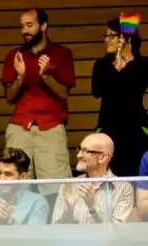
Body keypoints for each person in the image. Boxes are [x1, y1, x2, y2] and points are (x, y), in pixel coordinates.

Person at [1, 8, 75, 199]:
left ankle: (53, 228)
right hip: (20, 126)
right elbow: (9, 97)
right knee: (16, 187)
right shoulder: (14, 56)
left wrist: (46, 76)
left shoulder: (62, 54)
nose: (24, 30)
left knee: (54, 189)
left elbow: (63, 94)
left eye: (29, 25)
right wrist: (20, 77)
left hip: (50, 127)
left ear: (43, 26)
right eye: (22, 26)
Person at [91, 17, 147, 176]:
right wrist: (116, 67)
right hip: (108, 127)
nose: (106, 40)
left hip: (136, 130)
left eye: (111, 36)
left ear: (125, 39)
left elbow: (134, 87)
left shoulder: (143, 64)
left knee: (136, 173)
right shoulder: (101, 65)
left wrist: (128, 62)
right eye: (105, 36)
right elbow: (97, 90)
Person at [51, 133, 134, 224]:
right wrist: (68, 212)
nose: (78, 155)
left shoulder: (123, 188)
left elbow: (117, 232)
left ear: (102, 157)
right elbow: (55, 229)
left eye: (85, 151)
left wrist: (94, 207)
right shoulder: (69, 185)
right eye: (79, 149)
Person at [0, 147, 49, 225]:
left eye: (8, 174)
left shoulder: (37, 202)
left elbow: (35, 236)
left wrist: (10, 221)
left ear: (23, 177)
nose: (1, 179)